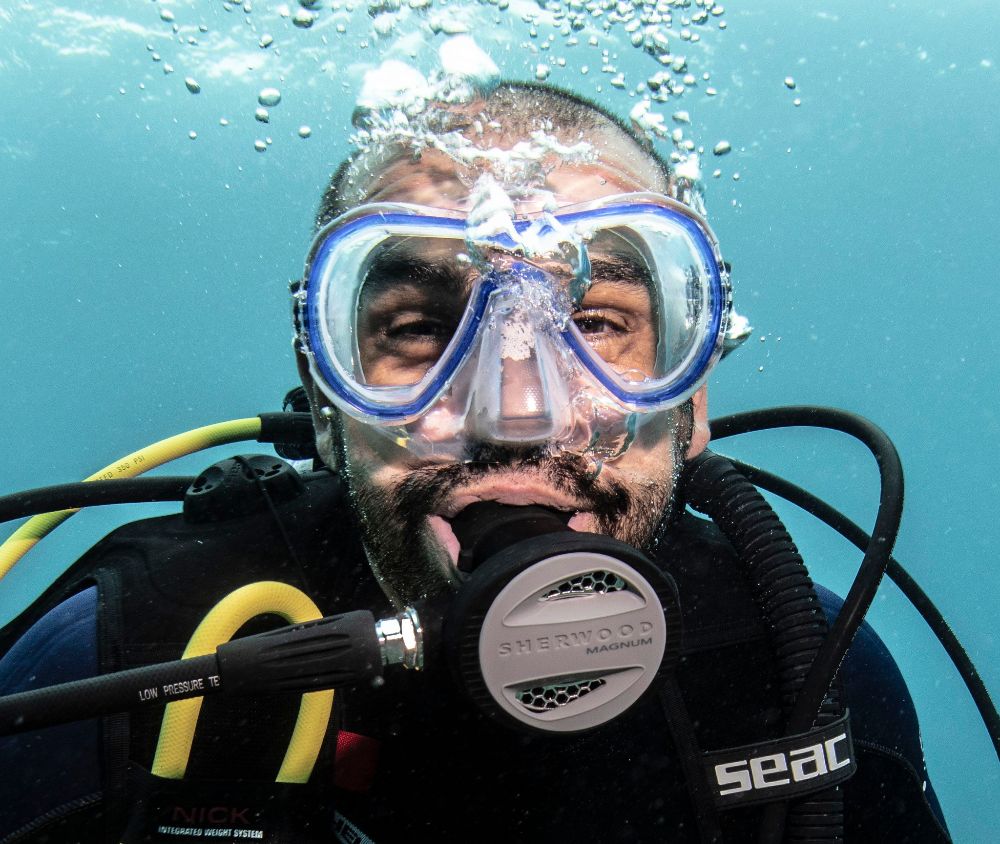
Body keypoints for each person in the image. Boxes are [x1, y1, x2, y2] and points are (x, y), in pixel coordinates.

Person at [0, 82, 950, 842]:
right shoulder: (128, 664)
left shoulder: (802, 671)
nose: (518, 415)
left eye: (595, 324)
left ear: (692, 398)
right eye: (419, 330)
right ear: (328, 404)